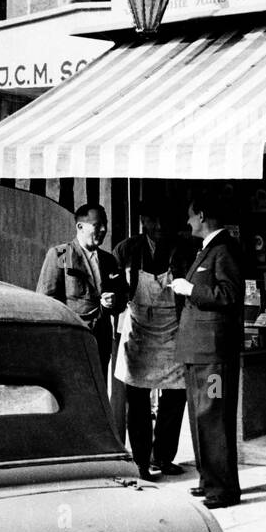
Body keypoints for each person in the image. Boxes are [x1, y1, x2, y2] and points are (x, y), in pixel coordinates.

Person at [171, 194, 244, 510]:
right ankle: (208, 479)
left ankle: (222, 489)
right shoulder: (209, 251)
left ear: (202, 216)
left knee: (213, 418)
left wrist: (191, 290)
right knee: (201, 417)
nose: (188, 223)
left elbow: (229, 294)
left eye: (190, 216)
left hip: (214, 354)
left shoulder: (224, 251)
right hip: (199, 352)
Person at [113, 203, 189, 482]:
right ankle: (141, 462)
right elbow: (117, 290)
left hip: (174, 329)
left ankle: (164, 456)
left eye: (164, 222)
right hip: (139, 331)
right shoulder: (127, 250)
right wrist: (113, 299)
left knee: (175, 396)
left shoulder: (183, 248)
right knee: (138, 400)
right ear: (143, 220)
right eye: (153, 221)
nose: (159, 228)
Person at [36, 204, 126, 381]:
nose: (103, 229)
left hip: (101, 341)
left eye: (105, 224)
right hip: (72, 340)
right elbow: (47, 301)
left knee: (97, 390)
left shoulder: (109, 260)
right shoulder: (63, 254)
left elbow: (122, 298)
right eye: (97, 225)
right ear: (80, 226)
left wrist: (114, 302)